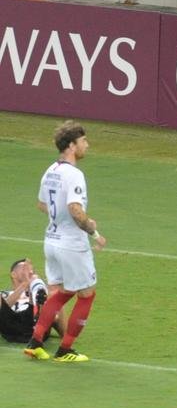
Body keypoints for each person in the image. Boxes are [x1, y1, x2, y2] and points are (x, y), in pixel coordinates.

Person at [24, 121, 106, 363]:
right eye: (83, 141)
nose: (87, 145)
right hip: (72, 244)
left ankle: (36, 342)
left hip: (51, 241)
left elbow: (42, 204)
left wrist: (58, 215)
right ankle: (65, 349)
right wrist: (94, 231)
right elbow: (75, 210)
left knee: (62, 292)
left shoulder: (51, 170)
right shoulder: (74, 175)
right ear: (71, 145)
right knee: (87, 294)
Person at [1, 258, 66, 343]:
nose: (30, 272)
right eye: (24, 269)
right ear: (13, 274)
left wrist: (57, 299)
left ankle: (36, 307)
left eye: (31, 270)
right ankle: (36, 306)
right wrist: (24, 284)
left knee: (47, 298)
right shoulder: (4, 294)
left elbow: (62, 330)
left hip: (33, 326)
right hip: (10, 327)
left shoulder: (41, 294)